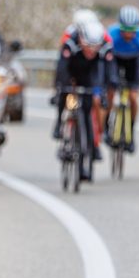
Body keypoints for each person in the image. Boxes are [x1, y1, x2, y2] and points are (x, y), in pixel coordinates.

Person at [54, 20, 112, 178]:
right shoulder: (70, 44)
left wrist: (103, 93)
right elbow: (62, 68)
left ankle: (89, 147)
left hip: (90, 76)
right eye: (88, 47)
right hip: (72, 72)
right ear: (81, 40)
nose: (91, 51)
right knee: (65, 96)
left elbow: (106, 73)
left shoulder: (104, 48)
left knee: (87, 111)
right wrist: (60, 88)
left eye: (94, 48)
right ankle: (59, 124)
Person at [106, 5, 139, 153]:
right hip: (114, 61)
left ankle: (130, 131)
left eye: (131, 30)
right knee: (110, 92)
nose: (127, 34)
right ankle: (107, 124)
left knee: (133, 97)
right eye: (124, 30)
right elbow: (104, 62)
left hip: (133, 64)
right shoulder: (111, 35)